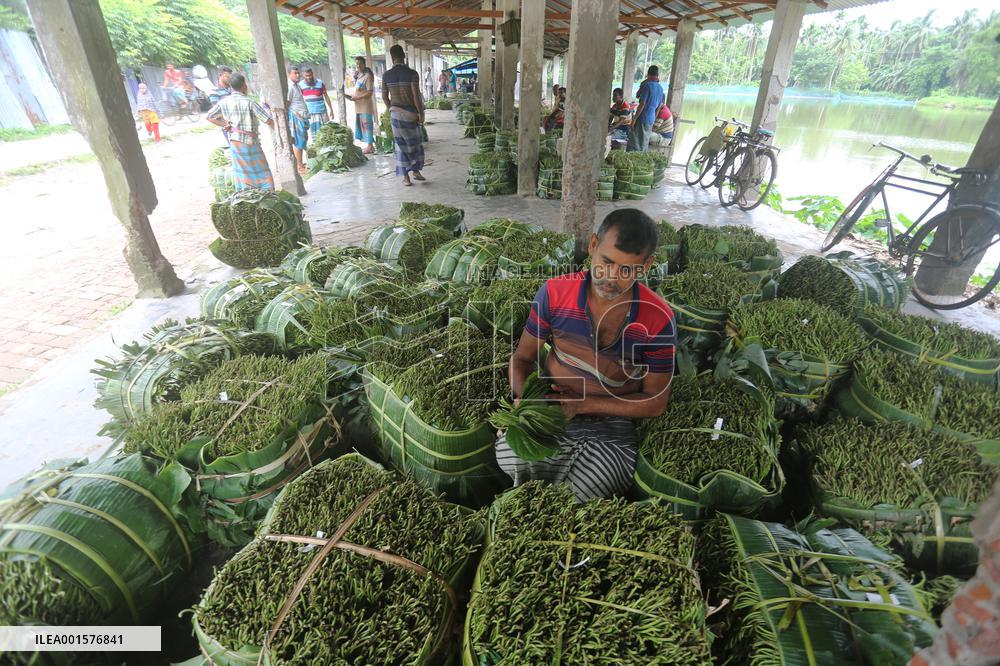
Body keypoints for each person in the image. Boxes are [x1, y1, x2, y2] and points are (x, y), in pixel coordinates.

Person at [496, 209, 676, 501]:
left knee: (594, 485)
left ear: (647, 266)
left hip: (612, 422)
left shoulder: (658, 318)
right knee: (512, 455)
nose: (612, 279)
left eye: (627, 270)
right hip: (550, 405)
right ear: (593, 245)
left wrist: (581, 405)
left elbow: (655, 402)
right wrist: (526, 400)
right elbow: (522, 358)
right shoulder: (555, 292)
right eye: (606, 262)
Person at [205, 72, 276, 191]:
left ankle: (247, 196)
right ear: (244, 86)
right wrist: (282, 133)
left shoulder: (224, 102)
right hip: (250, 143)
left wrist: (225, 124)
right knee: (262, 172)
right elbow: (268, 120)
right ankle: (267, 192)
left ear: (231, 87)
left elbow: (209, 116)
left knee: (243, 174)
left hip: (235, 143)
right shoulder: (250, 102)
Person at [381, 44, 426, 187]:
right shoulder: (412, 74)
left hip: (396, 115)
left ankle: (406, 178)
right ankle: (416, 171)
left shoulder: (386, 75)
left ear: (392, 58)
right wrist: (421, 113)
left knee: (400, 146)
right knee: (415, 144)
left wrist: (391, 108)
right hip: (411, 114)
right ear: (404, 56)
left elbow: (384, 96)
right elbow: (416, 96)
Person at [627, 65, 665, 152]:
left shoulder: (647, 85)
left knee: (635, 142)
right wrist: (653, 119)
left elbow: (642, 103)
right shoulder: (660, 88)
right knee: (644, 142)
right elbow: (659, 107)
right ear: (657, 75)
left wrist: (634, 119)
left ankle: (632, 161)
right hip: (651, 119)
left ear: (648, 74)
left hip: (642, 117)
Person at [349, 56, 376, 155]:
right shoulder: (359, 76)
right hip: (359, 106)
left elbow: (369, 93)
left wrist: (357, 97)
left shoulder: (367, 76)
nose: (358, 66)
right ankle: (369, 146)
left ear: (364, 64)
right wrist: (353, 96)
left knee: (367, 125)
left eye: (360, 63)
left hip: (365, 106)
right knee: (363, 126)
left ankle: (370, 146)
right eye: (357, 64)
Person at [286, 66, 309, 174]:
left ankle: (301, 163)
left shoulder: (297, 86)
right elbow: (288, 104)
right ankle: (299, 166)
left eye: (298, 73)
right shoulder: (290, 87)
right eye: (295, 73)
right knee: (298, 142)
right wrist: (295, 114)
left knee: (302, 140)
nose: (297, 75)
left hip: (301, 116)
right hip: (296, 117)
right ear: (289, 74)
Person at [300, 67, 334, 138]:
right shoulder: (300, 85)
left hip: (322, 112)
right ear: (303, 75)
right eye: (307, 75)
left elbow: (326, 96)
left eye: (310, 75)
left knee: (326, 133)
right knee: (315, 135)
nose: (309, 77)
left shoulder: (320, 83)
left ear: (312, 73)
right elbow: (300, 100)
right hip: (311, 113)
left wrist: (331, 109)